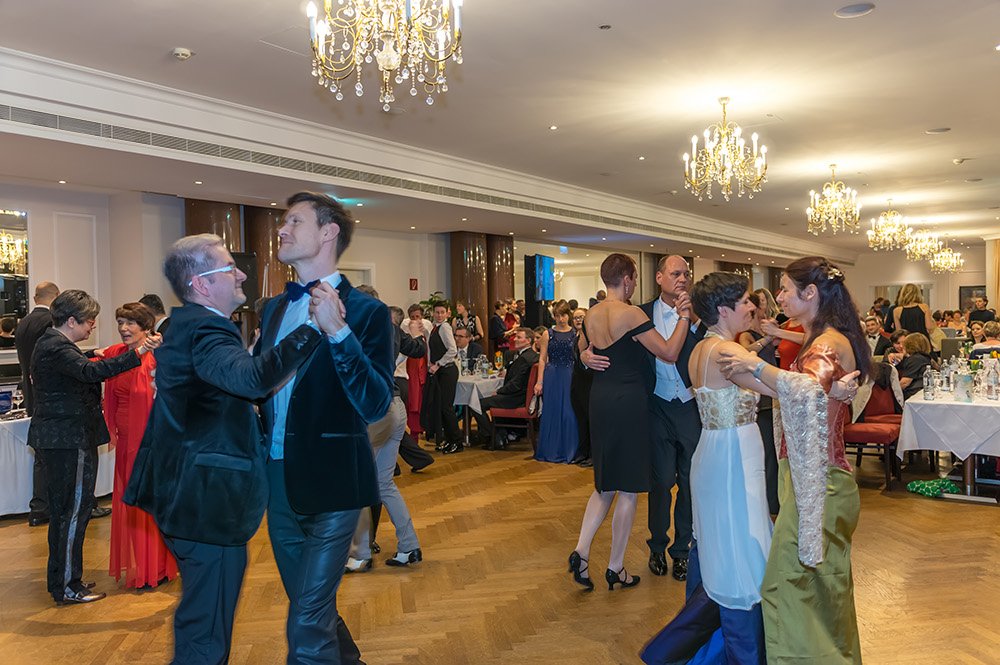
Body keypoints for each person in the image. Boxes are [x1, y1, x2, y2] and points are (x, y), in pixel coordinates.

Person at [124, 233, 324, 663]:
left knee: (203, 617)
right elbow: (251, 381)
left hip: (186, 493)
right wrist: (312, 329)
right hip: (205, 502)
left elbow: (226, 387)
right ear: (201, 283)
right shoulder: (207, 327)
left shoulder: (185, 324)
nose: (242, 274)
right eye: (230, 267)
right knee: (206, 629)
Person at [256, 192, 394, 665]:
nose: (282, 229)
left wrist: (339, 332)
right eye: (283, 222)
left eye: (294, 221)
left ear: (328, 232)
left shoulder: (368, 313)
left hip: (335, 479)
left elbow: (375, 403)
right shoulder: (273, 309)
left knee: (307, 620)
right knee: (308, 604)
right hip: (277, 476)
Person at [718, 256, 867, 664]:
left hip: (821, 481)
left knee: (788, 586)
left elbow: (806, 390)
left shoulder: (828, 343)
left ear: (811, 293)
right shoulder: (820, 338)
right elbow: (803, 389)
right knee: (819, 589)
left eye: (785, 289)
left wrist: (755, 365)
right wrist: (747, 371)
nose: (779, 297)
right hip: (808, 475)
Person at [642, 272, 774, 664]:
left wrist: (768, 342)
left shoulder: (704, 347)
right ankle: (743, 649)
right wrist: (824, 385)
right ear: (723, 309)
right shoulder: (726, 353)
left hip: (714, 451)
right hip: (733, 457)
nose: (752, 307)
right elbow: (778, 387)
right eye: (745, 301)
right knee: (741, 549)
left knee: (722, 545)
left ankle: (700, 642)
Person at [30, 289, 159, 605]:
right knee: (73, 513)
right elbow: (91, 373)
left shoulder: (53, 343)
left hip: (63, 439)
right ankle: (68, 586)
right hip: (69, 439)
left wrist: (91, 354)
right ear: (71, 321)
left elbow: (79, 366)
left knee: (67, 513)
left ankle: (65, 579)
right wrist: (138, 352)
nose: (92, 327)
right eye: (89, 321)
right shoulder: (57, 347)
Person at [570, 254, 689, 592]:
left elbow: (582, 350)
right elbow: (668, 352)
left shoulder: (591, 314)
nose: (635, 284)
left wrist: (585, 357)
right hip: (628, 403)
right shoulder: (631, 313)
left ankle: (581, 551)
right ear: (626, 279)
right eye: (634, 278)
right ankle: (616, 566)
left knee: (605, 483)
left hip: (600, 401)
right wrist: (683, 317)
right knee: (628, 489)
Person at [635, 255, 705, 582]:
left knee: (690, 481)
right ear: (659, 277)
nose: (682, 279)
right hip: (656, 406)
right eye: (676, 273)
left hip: (689, 405)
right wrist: (585, 354)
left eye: (686, 274)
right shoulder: (640, 314)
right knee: (661, 481)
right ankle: (656, 546)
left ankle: (681, 551)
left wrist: (693, 318)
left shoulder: (698, 314)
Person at [345, 288, 423, 574]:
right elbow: (418, 350)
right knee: (383, 484)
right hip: (394, 406)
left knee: (357, 483)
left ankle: (360, 554)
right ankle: (409, 545)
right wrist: (417, 335)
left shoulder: (359, 327)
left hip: (374, 411)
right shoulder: (390, 326)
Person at [103, 302, 178, 590]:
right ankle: (142, 566)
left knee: (152, 504)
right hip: (126, 442)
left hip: (152, 441)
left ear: (146, 327)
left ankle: (158, 567)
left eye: (130, 323)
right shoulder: (116, 354)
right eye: (120, 322)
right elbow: (90, 363)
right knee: (132, 505)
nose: (123, 328)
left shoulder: (158, 356)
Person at [16, 280, 59, 527]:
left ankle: (39, 508)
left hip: (33, 397)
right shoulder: (49, 322)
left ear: (35, 298)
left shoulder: (23, 323)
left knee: (42, 456)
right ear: (57, 296)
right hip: (49, 397)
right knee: (52, 457)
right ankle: (44, 506)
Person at [739, 290, 780, 516]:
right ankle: (767, 502)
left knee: (773, 451)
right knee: (765, 452)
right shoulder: (747, 335)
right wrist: (768, 339)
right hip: (760, 396)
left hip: (771, 396)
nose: (764, 310)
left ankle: (774, 500)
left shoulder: (764, 331)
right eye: (760, 307)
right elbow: (746, 352)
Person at [472, 328, 538, 450]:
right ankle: (501, 434)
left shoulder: (524, 359)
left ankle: (494, 437)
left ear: (528, 340)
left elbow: (516, 385)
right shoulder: (533, 356)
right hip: (522, 396)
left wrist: (499, 391)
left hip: (516, 398)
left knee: (476, 404)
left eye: (519, 337)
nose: (515, 339)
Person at [388, 305, 435, 473]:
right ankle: (416, 460)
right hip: (396, 383)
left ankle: (394, 466)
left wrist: (418, 335)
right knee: (392, 428)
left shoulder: (396, 335)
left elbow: (417, 350)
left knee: (389, 427)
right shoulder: (397, 335)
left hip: (397, 383)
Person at [533, 301, 580, 464]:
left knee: (569, 413)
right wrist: (539, 381)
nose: (561, 319)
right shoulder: (548, 334)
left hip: (570, 375)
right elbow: (542, 358)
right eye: (558, 315)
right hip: (552, 375)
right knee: (552, 412)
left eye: (564, 315)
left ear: (568, 315)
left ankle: (570, 451)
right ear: (554, 316)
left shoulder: (575, 334)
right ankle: (551, 450)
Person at [424, 302, 463, 454]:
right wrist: (430, 364)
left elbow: (452, 350)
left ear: (447, 313)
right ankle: (449, 440)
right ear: (433, 313)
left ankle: (457, 442)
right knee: (441, 407)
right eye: (437, 312)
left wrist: (438, 364)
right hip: (440, 371)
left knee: (447, 408)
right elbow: (431, 348)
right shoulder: (435, 328)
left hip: (447, 371)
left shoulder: (445, 327)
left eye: (442, 312)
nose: (439, 315)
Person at [403, 303, 432, 437]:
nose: (416, 320)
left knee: (424, 400)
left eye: (418, 317)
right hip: (412, 369)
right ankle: (414, 432)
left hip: (425, 368)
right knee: (414, 400)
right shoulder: (405, 332)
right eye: (413, 317)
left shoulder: (427, 329)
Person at [569, 308, 593, 467]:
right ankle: (582, 453)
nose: (578, 320)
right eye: (575, 318)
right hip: (576, 381)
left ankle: (592, 455)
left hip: (589, 381)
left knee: (590, 419)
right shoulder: (574, 337)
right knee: (581, 418)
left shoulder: (592, 337)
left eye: (581, 317)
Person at [896, 333, 935, 399]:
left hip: (913, 395)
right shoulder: (925, 357)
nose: (902, 346)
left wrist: (891, 392)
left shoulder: (915, 359)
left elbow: (904, 383)